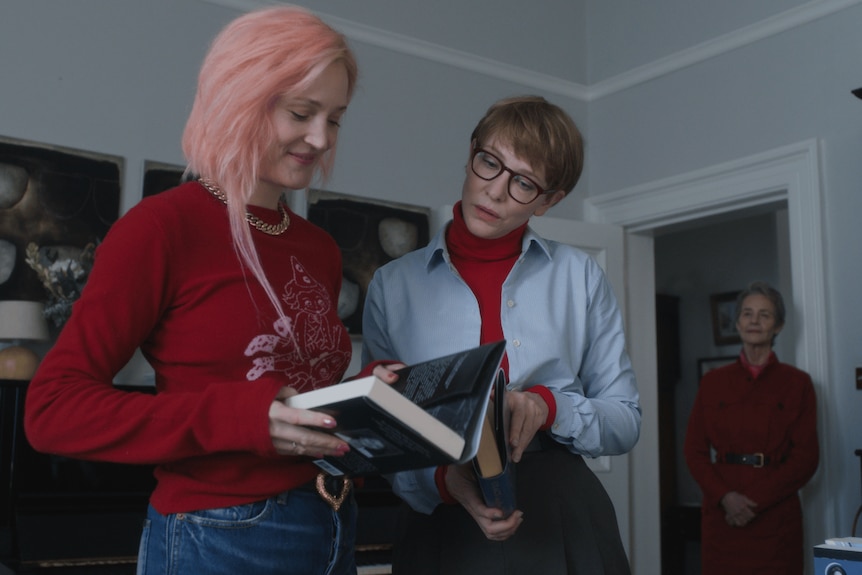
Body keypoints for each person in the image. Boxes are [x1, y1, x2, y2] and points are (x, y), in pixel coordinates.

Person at [23, 7, 384, 574]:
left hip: (333, 522)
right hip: (219, 535)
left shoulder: (320, 249)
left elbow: (292, 392)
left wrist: (368, 395)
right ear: (241, 97)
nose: (320, 138)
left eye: (334, 119)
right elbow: (53, 410)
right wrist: (243, 420)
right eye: (301, 112)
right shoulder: (161, 228)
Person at [361, 95, 642, 574]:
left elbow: (624, 420)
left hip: (563, 511)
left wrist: (548, 406)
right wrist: (445, 483)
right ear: (471, 151)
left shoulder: (580, 276)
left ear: (550, 201)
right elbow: (384, 437)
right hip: (442, 521)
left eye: (524, 183)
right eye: (489, 162)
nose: (494, 191)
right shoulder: (392, 285)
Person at [684, 281, 819, 575]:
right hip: (722, 517)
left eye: (764, 315)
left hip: (775, 519)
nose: (754, 321)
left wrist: (754, 502)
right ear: (737, 322)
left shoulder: (798, 384)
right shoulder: (713, 382)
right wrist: (726, 497)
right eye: (747, 313)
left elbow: (806, 458)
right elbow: (693, 451)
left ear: (779, 326)